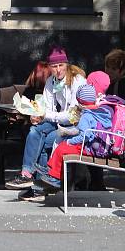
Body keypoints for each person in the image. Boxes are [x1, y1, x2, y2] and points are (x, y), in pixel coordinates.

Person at [7, 47, 87, 202]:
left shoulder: (77, 81)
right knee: (34, 131)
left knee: (46, 142)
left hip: (75, 127)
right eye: (54, 67)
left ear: (66, 65)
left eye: (60, 66)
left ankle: (39, 189)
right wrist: (37, 116)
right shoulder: (51, 81)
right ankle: (26, 174)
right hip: (58, 121)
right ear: (49, 67)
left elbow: (72, 116)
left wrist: (46, 115)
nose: (57, 70)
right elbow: (47, 107)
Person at [33, 84, 114, 192]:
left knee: (62, 148)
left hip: (89, 148)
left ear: (80, 102)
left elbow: (85, 136)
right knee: (63, 147)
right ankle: (50, 171)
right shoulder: (99, 112)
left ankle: (55, 178)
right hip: (97, 145)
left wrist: (71, 141)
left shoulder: (86, 116)